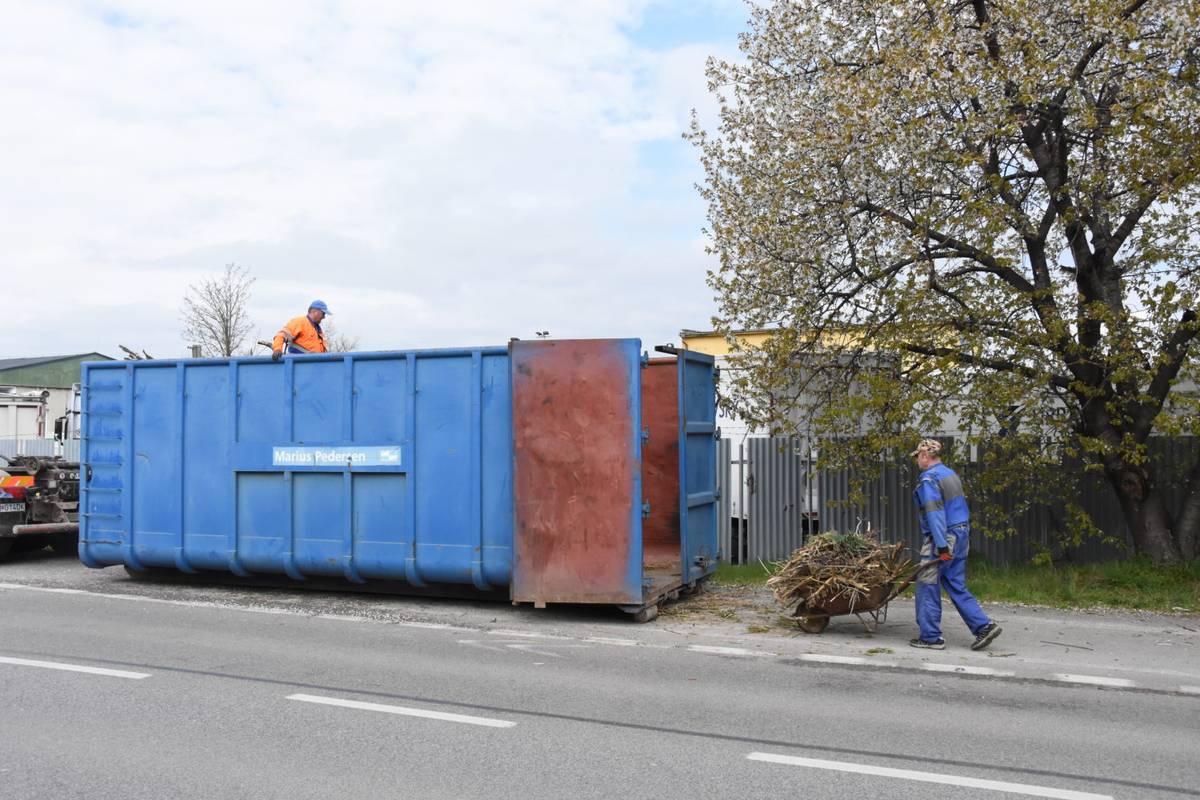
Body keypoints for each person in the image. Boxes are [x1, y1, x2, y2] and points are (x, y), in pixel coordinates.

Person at [909, 439, 1001, 651]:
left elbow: (934, 513)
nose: (917, 461)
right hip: (961, 534)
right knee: (954, 582)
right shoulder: (949, 474)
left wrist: (941, 547)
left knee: (927, 583)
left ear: (924, 456)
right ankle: (983, 626)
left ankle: (930, 637)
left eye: (917, 457)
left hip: (944, 538)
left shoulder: (929, 479)